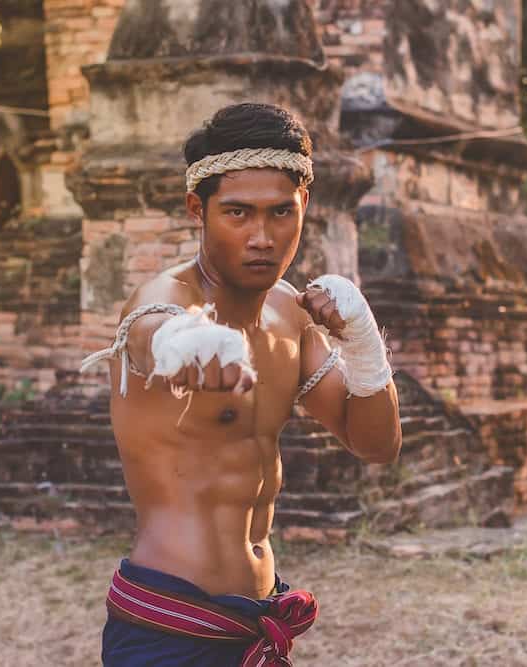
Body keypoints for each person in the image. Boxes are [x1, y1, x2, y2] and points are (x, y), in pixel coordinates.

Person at [81, 103, 402, 666]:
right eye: (237, 213)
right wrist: (184, 347)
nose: (262, 237)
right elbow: (148, 330)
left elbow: (376, 445)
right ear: (196, 210)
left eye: (281, 212)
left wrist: (364, 345)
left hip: (257, 617)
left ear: (304, 206)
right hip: (169, 623)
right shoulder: (166, 299)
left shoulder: (292, 316)